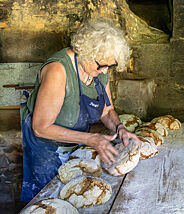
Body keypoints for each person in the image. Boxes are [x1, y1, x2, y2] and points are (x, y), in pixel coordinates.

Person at [20, 17, 140, 202]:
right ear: (85, 51)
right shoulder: (58, 70)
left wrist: (119, 128)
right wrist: (91, 139)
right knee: (48, 201)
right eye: (101, 65)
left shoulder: (100, 69)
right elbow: (41, 127)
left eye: (110, 65)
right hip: (46, 148)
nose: (104, 71)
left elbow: (107, 110)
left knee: (75, 198)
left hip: (76, 143)